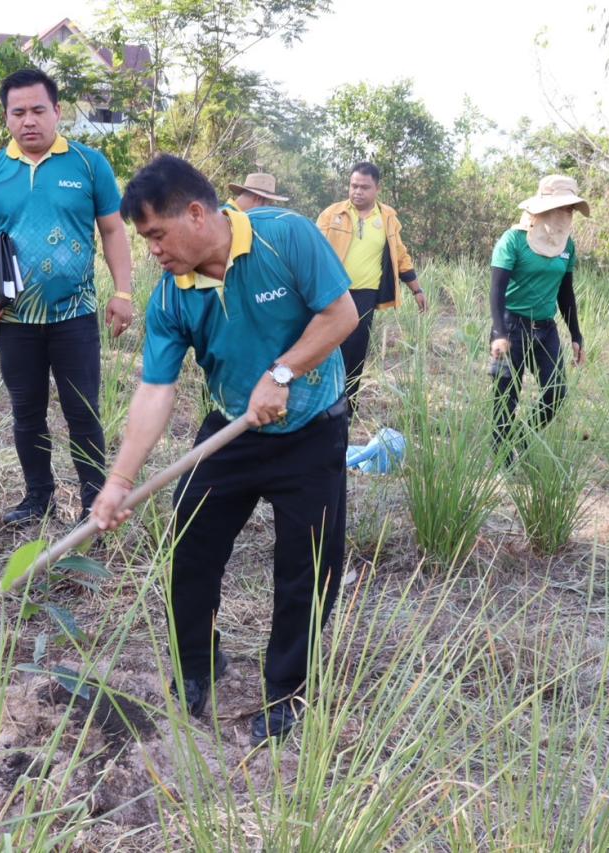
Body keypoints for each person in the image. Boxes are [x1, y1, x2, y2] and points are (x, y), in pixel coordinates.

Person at [90, 155, 357, 744]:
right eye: (145, 240)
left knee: (306, 570)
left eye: (157, 235)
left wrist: (283, 374)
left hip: (312, 429)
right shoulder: (172, 297)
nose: (153, 250)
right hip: (229, 431)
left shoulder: (285, 237)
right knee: (190, 553)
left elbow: (341, 314)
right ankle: (197, 668)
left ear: (195, 213)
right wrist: (119, 482)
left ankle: (287, 695)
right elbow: (155, 392)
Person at [0, 68, 134, 525]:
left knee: (83, 411)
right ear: (6, 117)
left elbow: (113, 230)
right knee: (27, 412)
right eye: (18, 112)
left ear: (57, 112)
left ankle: (95, 502)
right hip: (13, 318)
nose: (29, 120)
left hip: (76, 316)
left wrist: (123, 292)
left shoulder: (89, 164)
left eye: (38, 110)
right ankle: (38, 498)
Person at [489, 174, 588, 459]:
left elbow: (565, 293)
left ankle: (519, 439)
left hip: (545, 329)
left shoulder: (566, 246)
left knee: (556, 392)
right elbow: (496, 290)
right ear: (544, 208)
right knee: (505, 397)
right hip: (512, 325)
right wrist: (499, 333)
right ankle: (501, 460)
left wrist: (576, 335)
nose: (566, 214)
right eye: (562, 207)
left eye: (570, 209)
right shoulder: (513, 240)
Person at [316, 162, 426, 414]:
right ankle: (321, 407)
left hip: (365, 296)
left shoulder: (387, 218)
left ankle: (346, 410)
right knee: (326, 351)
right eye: (353, 186)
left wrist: (416, 289)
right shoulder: (331, 215)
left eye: (364, 187)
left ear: (377, 188)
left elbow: (400, 255)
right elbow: (312, 251)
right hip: (332, 294)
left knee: (355, 354)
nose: (357, 191)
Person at [225, 172, 289, 212]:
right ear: (257, 199)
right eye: (268, 204)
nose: (266, 211)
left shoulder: (221, 214)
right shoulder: (236, 222)